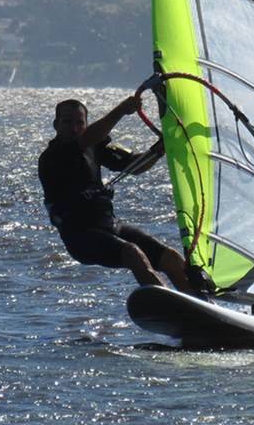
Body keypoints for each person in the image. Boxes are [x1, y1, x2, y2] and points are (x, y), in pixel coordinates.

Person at [38, 95, 206, 297]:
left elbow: (134, 166)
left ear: (86, 124)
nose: (73, 128)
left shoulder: (94, 148)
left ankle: (204, 306)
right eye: (67, 122)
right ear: (56, 125)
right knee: (132, 253)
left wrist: (159, 150)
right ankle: (173, 305)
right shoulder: (52, 156)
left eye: (79, 123)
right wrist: (121, 110)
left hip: (110, 225)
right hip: (80, 236)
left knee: (170, 258)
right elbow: (85, 140)